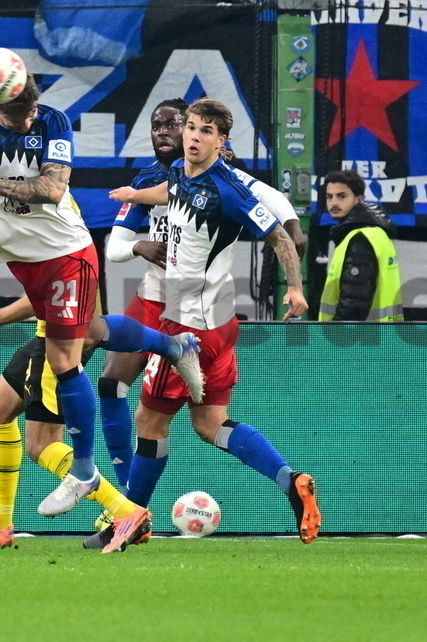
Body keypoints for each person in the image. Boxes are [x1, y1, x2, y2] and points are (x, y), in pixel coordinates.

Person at [0, 75, 181, 547]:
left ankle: (123, 508)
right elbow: (8, 216)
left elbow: (48, 192)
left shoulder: (51, 144)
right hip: (47, 293)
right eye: (16, 115)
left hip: (63, 282)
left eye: (29, 113)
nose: (26, 122)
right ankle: (0, 519)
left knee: (43, 437)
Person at [109, 98, 321, 547]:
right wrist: (134, 196)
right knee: (210, 423)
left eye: (206, 131)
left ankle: (129, 522)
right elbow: (171, 193)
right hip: (220, 325)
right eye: (191, 127)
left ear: (221, 141)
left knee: (148, 422)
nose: (193, 136)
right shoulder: (181, 173)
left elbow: (280, 236)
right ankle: (290, 480)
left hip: (189, 328)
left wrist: (296, 287)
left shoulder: (229, 189)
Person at [0, 293, 202, 551]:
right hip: (48, 332)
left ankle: (127, 512)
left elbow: (41, 296)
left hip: (58, 340)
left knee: (42, 445)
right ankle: (0, 520)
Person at [318, 169, 403, 322]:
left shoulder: (360, 239)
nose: (334, 203)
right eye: (329, 197)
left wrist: (335, 334)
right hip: (383, 332)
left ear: (359, 199)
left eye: (342, 196)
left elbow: (354, 303)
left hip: (358, 335)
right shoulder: (375, 233)